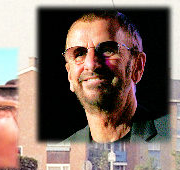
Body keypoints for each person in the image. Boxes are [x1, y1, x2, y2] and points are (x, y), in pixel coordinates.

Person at [61, 11, 169, 143]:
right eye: (79, 54)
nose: (91, 64)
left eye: (107, 50)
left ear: (137, 66)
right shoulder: (66, 147)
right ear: (70, 75)